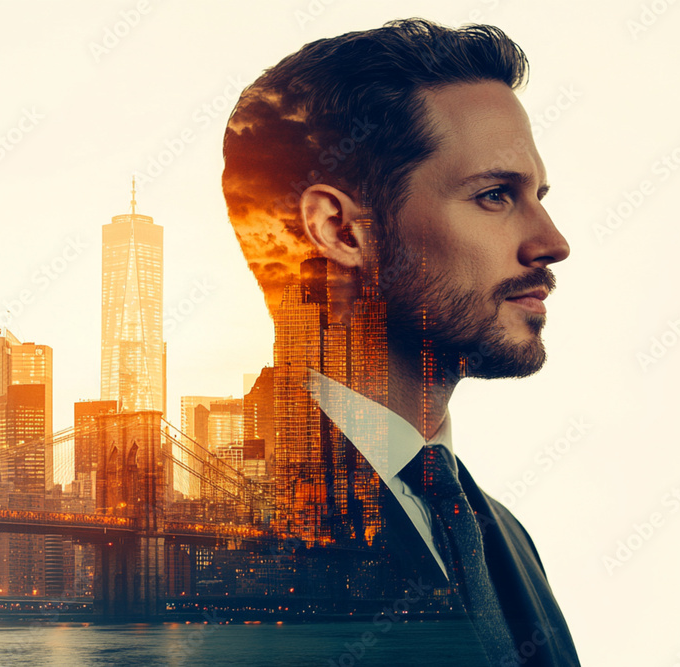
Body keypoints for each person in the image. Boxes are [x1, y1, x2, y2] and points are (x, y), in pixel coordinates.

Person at [222, 19, 580, 666]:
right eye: (495, 195)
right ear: (341, 231)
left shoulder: (507, 540)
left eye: (539, 196)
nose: (552, 242)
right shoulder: (209, 527)